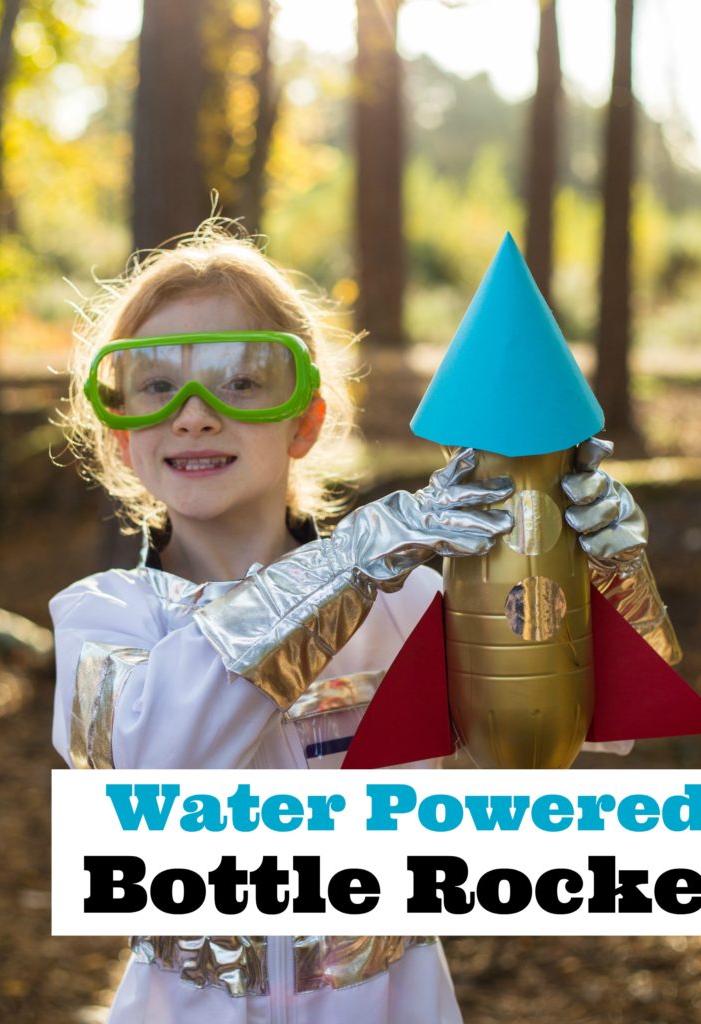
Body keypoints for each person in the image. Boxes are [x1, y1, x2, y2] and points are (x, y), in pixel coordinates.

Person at [50, 221, 663, 1023]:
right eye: (155, 384)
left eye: (243, 379)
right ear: (120, 436)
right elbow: (157, 762)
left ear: (305, 420)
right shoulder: (102, 618)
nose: (193, 415)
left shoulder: (407, 604)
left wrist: (598, 567)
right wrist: (356, 559)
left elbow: (585, 730)